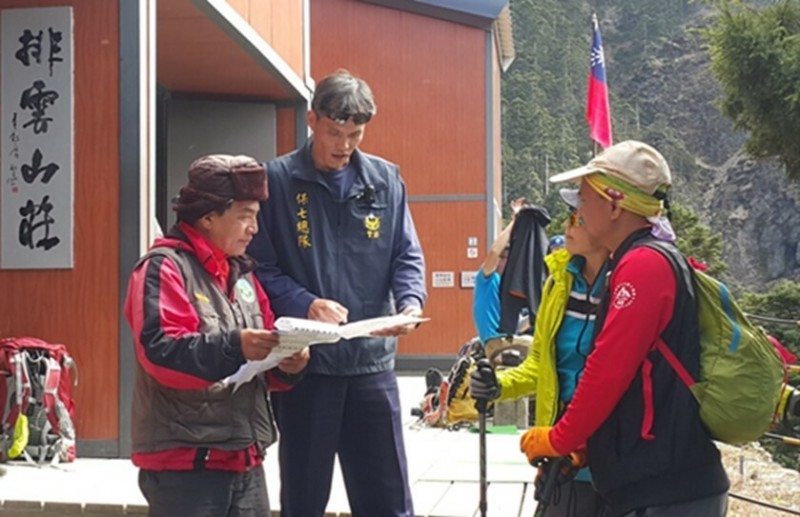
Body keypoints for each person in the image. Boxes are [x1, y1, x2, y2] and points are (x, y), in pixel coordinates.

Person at [517, 140, 730, 516]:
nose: (577, 212)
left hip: (666, 489)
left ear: (614, 205)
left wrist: (558, 438)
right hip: (658, 483)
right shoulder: (640, 259)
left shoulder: (642, 266)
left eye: (583, 200)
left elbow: (607, 371)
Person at [247, 69, 426, 516]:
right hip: (308, 367)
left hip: (372, 366)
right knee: (304, 497)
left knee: (388, 497)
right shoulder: (277, 181)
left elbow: (406, 254)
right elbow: (259, 268)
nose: (343, 145)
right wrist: (305, 302)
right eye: (333, 132)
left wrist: (410, 304)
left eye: (355, 134)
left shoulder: (385, 180)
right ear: (312, 120)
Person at [124, 154, 310, 517]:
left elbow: (266, 353)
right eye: (245, 215)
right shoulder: (163, 268)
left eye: (256, 215)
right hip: (184, 465)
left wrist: (289, 362)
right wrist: (236, 345)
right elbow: (161, 353)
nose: (254, 228)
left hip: (245, 456)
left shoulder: (243, 276)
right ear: (208, 217)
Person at [470, 188, 610, 516]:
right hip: (560, 462)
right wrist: (499, 386)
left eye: (578, 216)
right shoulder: (558, 283)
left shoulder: (625, 284)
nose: (567, 225)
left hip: (613, 462)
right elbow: (540, 365)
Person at [473, 197, 528, 360]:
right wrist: (515, 221)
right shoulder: (486, 280)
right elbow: (495, 252)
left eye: (508, 258)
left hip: (507, 339)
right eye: (503, 257)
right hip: (496, 342)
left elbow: (519, 326)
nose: (503, 261)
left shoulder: (508, 287)